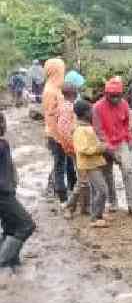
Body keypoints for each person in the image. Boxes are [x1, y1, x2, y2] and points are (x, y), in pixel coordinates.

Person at [93, 77, 132, 215]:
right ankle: (113, 203)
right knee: (107, 174)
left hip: (121, 142)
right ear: (106, 94)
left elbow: (126, 124)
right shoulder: (97, 108)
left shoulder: (124, 104)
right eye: (112, 96)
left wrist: (130, 140)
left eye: (118, 96)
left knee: (128, 170)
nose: (115, 99)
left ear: (121, 95)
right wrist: (109, 148)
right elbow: (98, 131)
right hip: (105, 145)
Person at [65, 100, 109, 228]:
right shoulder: (80, 130)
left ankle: (97, 214)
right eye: (90, 111)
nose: (92, 114)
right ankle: (95, 218)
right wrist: (101, 148)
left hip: (93, 163)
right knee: (102, 190)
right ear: (85, 113)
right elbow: (84, 149)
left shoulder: (85, 127)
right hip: (90, 165)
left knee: (96, 189)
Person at [0, 112, 36, 268]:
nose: (3, 125)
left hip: (7, 192)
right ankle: (3, 261)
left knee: (11, 226)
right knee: (26, 225)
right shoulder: (2, 146)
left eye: (3, 121)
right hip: (3, 195)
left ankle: (12, 264)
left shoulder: (3, 144)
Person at [43, 58, 76, 203]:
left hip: (64, 134)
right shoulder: (50, 91)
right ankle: (63, 198)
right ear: (56, 71)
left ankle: (74, 191)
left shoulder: (56, 87)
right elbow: (50, 118)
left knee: (68, 163)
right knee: (60, 166)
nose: (63, 72)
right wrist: (60, 138)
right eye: (61, 69)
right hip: (56, 135)